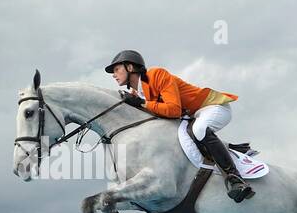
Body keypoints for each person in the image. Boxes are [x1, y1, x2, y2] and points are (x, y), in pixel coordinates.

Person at [105, 49, 254, 202]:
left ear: (130, 67)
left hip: (212, 107)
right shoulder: (139, 93)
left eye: (116, 69)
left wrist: (143, 103)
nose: (114, 75)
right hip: (192, 115)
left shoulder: (156, 74)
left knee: (199, 129)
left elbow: (174, 110)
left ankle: (235, 179)